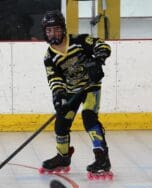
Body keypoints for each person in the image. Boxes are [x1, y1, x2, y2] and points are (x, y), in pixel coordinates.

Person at [39, 10, 112, 176]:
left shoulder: (79, 41)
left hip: (90, 87)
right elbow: (54, 78)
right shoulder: (49, 57)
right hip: (71, 92)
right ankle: (63, 157)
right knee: (61, 124)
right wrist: (58, 95)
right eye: (49, 31)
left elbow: (101, 45)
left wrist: (98, 60)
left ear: (63, 29)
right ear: (44, 32)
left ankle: (102, 158)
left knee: (89, 117)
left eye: (56, 29)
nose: (53, 34)